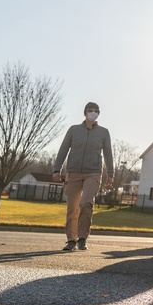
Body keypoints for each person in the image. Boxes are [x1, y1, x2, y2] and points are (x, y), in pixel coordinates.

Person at [52, 102, 114, 252]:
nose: (93, 113)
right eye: (90, 110)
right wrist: (56, 169)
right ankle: (71, 240)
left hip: (93, 172)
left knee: (86, 203)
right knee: (72, 207)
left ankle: (82, 238)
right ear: (84, 113)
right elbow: (63, 149)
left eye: (96, 111)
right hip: (73, 172)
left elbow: (108, 154)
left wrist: (110, 174)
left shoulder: (104, 132)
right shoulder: (74, 130)